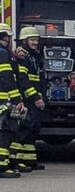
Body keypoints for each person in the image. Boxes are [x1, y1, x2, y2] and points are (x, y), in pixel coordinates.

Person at [12, 26, 46, 172]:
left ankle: (29, 161)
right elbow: (23, 79)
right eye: (32, 40)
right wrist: (35, 97)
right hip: (27, 98)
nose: (35, 42)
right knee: (24, 129)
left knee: (33, 129)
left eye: (36, 40)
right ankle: (17, 161)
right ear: (24, 41)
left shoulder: (34, 55)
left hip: (34, 97)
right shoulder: (23, 56)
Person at [0, 23, 25, 178]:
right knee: (6, 132)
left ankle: (7, 164)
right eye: (8, 37)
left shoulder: (6, 53)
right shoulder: (2, 53)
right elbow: (7, 77)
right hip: (5, 99)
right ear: (5, 37)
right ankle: (2, 167)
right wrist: (16, 98)